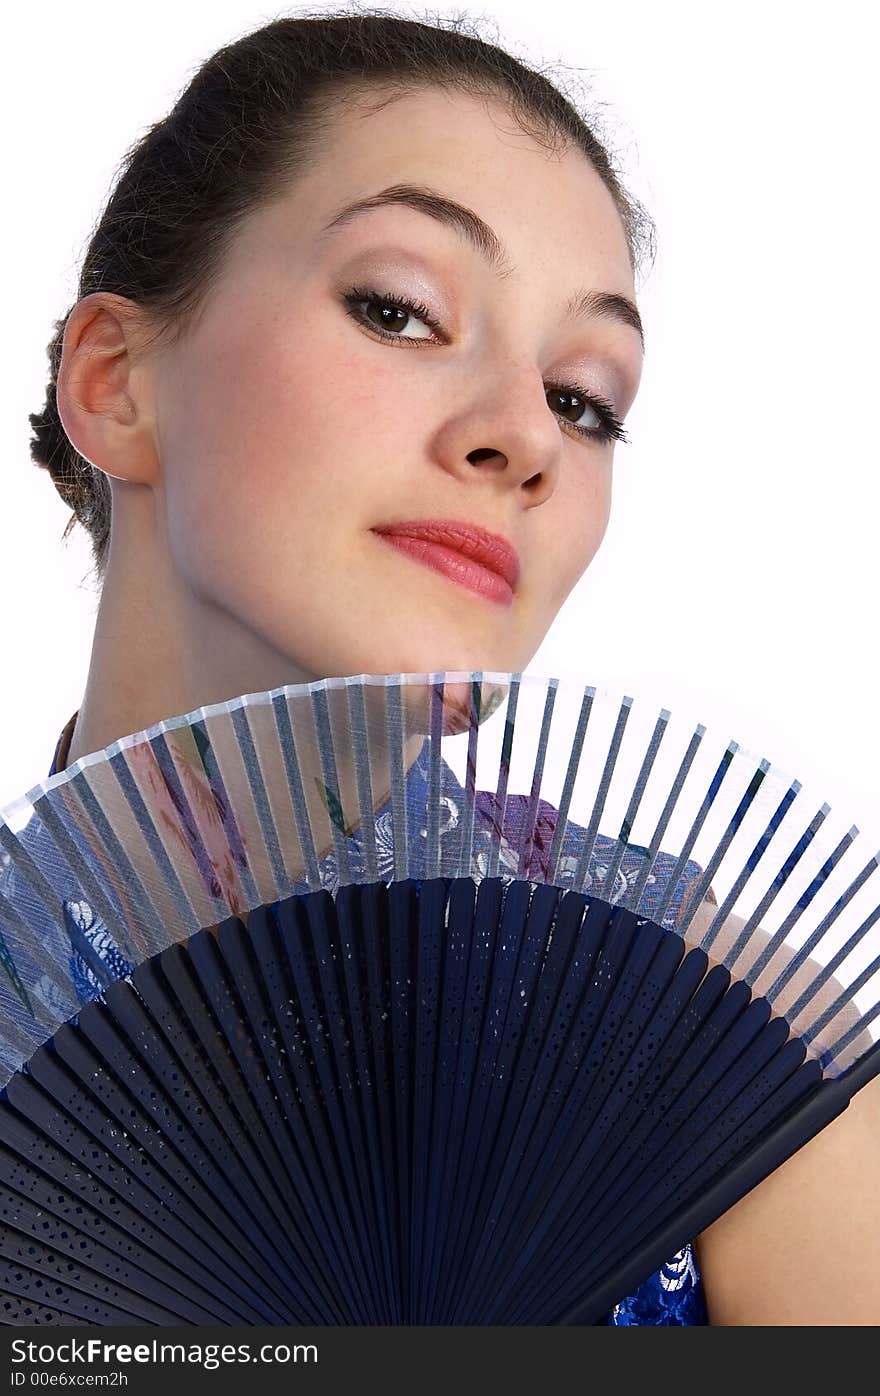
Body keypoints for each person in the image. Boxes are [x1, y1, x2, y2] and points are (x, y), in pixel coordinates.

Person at [22, 9, 880, 1325]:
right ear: (117, 382)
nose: (525, 437)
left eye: (585, 396)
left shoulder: (740, 1065)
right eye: (402, 310)